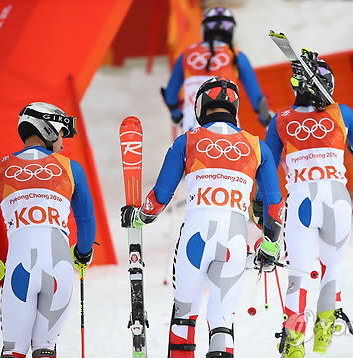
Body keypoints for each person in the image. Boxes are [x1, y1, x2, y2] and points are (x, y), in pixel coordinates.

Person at [122, 76, 284, 358]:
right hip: (235, 238)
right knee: (222, 321)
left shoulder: (187, 141)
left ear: (200, 107)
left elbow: (160, 195)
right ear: (234, 108)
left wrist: (140, 217)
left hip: (195, 237)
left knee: (185, 315)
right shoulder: (258, 146)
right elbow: (273, 201)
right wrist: (270, 242)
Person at [260, 50, 353, 358]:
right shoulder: (342, 112)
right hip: (337, 199)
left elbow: (267, 169)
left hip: (301, 200)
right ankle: (323, 342)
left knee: (298, 273)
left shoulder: (281, 119)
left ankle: (293, 347)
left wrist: (262, 206)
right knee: (331, 267)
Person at [0, 102, 96, 358]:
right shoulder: (72, 168)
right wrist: (83, 253)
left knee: (13, 350)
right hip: (59, 269)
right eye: (62, 133)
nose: (63, 142)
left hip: (20, 269)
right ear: (48, 129)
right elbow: (85, 221)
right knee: (45, 350)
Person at [161, 7, 272, 133]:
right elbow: (258, 99)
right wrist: (266, 119)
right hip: (228, 125)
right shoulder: (236, 55)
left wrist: (177, 116)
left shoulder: (186, 55)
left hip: (193, 124)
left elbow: (170, 95)